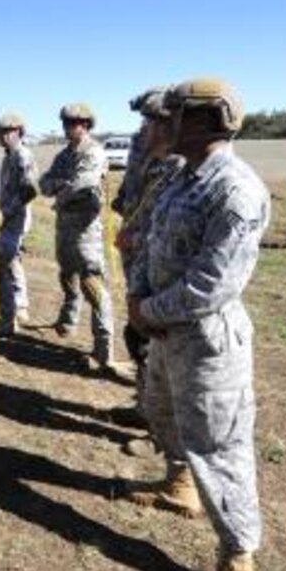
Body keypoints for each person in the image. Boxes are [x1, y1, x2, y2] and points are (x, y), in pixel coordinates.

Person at [125, 78, 270, 571]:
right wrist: (136, 295)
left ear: (208, 120)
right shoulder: (179, 176)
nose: (158, 124)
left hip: (207, 343)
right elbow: (151, 241)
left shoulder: (236, 191)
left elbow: (213, 284)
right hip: (166, 334)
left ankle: (237, 552)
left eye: (171, 115)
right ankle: (178, 485)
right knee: (161, 415)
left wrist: (149, 311)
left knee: (220, 447)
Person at [112, 88, 184, 407]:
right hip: (139, 256)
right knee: (139, 335)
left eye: (152, 120)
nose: (145, 129)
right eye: (144, 120)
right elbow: (135, 189)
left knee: (153, 341)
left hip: (162, 265)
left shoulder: (181, 166)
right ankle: (145, 406)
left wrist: (138, 238)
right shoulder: (143, 148)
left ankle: (155, 418)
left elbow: (170, 226)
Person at [37, 103, 119, 375]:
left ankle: (103, 351)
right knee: (67, 278)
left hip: (86, 232)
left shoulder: (93, 152)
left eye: (75, 122)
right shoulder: (64, 155)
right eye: (66, 122)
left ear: (86, 125)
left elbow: (83, 183)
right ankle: (68, 321)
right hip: (65, 229)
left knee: (94, 288)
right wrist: (61, 186)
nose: (69, 127)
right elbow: (44, 184)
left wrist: (61, 188)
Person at [0, 112, 38, 334]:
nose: (4, 136)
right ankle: (19, 306)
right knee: (12, 263)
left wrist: (7, 212)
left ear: (19, 132)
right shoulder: (8, 157)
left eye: (8, 131)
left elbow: (29, 190)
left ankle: (11, 314)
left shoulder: (23, 155)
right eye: (1, 132)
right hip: (6, 218)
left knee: (5, 264)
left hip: (16, 220)